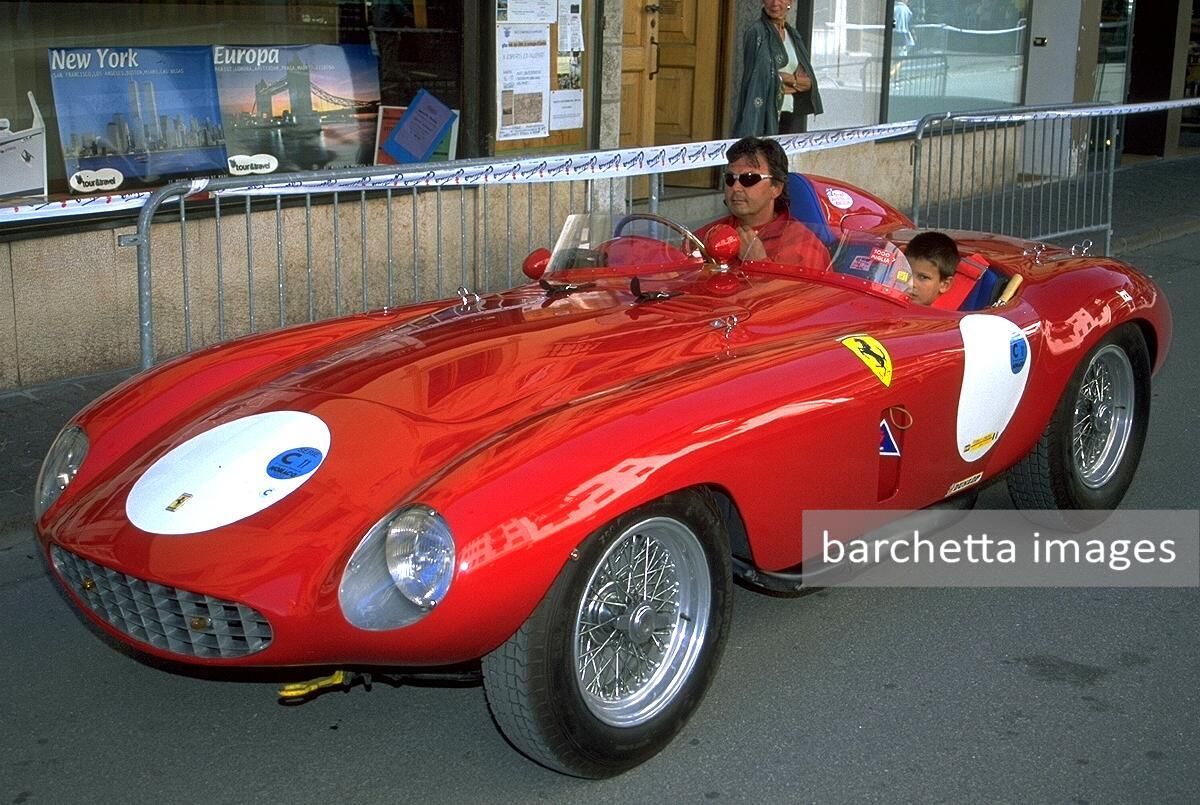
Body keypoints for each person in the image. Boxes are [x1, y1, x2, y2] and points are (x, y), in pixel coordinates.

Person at [695, 137, 829, 267]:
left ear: (776, 188)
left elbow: (799, 290)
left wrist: (759, 263)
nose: (735, 187)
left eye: (749, 178)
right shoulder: (705, 236)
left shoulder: (803, 247)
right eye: (730, 178)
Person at [733, 0, 824, 137]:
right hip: (764, 116)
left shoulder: (793, 35)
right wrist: (793, 82)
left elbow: (809, 83)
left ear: (790, 2)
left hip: (791, 114)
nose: (775, 3)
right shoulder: (756, 33)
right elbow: (756, 82)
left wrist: (785, 79)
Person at [905, 231, 959, 305]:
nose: (910, 283)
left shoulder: (945, 316)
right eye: (907, 273)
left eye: (923, 277)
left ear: (944, 285)